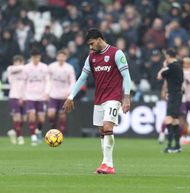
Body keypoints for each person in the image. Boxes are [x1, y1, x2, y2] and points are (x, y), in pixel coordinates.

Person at [63, 29, 131, 175]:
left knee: (107, 127)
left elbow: (126, 76)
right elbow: (82, 77)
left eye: (92, 43)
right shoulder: (91, 57)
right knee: (101, 131)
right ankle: (105, 163)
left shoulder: (116, 53)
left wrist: (126, 97)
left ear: (100, 39)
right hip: (99, 98)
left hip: (114, 96)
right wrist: (71, 96)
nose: (90, 47)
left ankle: (109, 164)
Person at [157, 48, 184, 153]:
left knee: (168, 119)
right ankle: (177, 146)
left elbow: (159, 76)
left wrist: (164, 67)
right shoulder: (178, 66)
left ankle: (169, 145)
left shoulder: (171, 67)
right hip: (176, 95)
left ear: (168, 56)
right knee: (175, 120)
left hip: (173, 96)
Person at [24, 48, 49, 146]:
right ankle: (33, 137)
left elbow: (47, 81)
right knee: (31, 115)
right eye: (34, 57)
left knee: (42, 119)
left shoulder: (44, 67)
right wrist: (23, 95)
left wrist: (47, 93)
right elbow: (23, 82)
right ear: (31, 58)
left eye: (37, 57)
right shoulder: (26, 68)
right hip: (30, 95)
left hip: (41, 96)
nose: (36, 59)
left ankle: (38, 131)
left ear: (40, 57)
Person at [48, 50, 76, 134]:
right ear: (57, 57)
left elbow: (72, 81)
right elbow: (47, 79)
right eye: (59, 56)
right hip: (53, 94)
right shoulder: (51, 67)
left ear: (66, 57)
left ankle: (61, 133)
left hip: (64, 95)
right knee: (51, 114)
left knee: (62, 115)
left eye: (63, 56)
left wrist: (69, 92)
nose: (61, 58)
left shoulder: (69, 68)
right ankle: (53, 129)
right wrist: (47, 90)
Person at [7, 55, 26, 145]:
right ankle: (20, 137)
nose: (17, 64)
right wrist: (26, 66)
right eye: (16, 62)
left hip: (24, 97)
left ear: (22, 62)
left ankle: (13, 131)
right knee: (17, 117)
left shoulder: (25, 72)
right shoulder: (10, 69)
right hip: (14, 96)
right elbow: (18, 68)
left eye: (19, 62)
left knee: (23, 119)